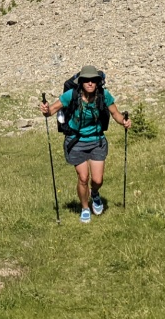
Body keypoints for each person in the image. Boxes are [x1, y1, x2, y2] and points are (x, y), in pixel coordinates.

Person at [40, 64, 131, 223]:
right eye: (86, 80)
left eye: (93, 80)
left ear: (98, 82)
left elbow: (116, 113)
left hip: (97, 141)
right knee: (83, 178)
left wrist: (124, 121)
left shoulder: (104, 95)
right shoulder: (71, 95)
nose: (90, 83)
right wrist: (45, 109)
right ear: (81, 82)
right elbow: (51, 111)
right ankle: (85, 208)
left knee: (97, 180)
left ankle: (94, 194)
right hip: (76, 142)